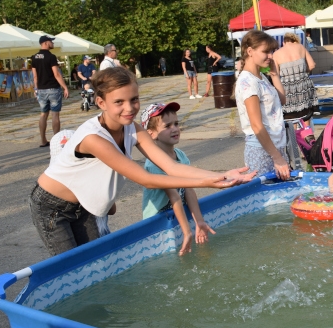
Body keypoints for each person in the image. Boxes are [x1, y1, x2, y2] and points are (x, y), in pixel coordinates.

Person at [28, 67, 255, 256]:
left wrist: (222, 175)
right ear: (100, 102)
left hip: (83, 206)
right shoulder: (93, 138)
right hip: (52, 207)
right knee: (69, 269)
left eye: (134, 99)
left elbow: (171, 166)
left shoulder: (133, 128)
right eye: (119, 102)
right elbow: (146, 179)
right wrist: (212, 182)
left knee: (92, 264)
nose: (129, 108)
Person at [141, 102, 217, 255]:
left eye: (176, 123)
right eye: (167, 126)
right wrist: (187, 231)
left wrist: (199, 220)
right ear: (151, 134)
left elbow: (188, 188)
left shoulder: (180, 155)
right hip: (158, 222)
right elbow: (174, 195)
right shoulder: (154, 163)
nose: (175, 128)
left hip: (177, 215)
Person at [235, 30, 290, 179]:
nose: (271, 56)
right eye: (266, 51)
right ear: (250, 51)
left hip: (274, 147)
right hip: (262, 151)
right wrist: (277, 158)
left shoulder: (260, 77)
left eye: (272, 51)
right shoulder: (248, 82)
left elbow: (282, 100)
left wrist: (274, 74)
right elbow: (256, 125)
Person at [32, 35, 69, 148]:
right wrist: (65, 87)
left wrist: (36, 88)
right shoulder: (51, 57)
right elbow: (56, 74)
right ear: (45, 43)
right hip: (53, 88)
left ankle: (43, 140)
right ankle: (56, 141)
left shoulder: (34, 57)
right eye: (51, 42)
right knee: (55, 114)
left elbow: (35, 76)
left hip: (41, 89)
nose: (53, 44)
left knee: (43, 114)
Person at [274, 33, 318, 120]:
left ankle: (294, 133)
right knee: (306, 118)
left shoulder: (276, 54)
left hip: (288, 90)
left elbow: (276, 74)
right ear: (295, 41)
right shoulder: (300, 47)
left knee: (291, 120)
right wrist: (302, 72)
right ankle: (307, 132)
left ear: (284, 42)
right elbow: (312, 65)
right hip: (303, 85)